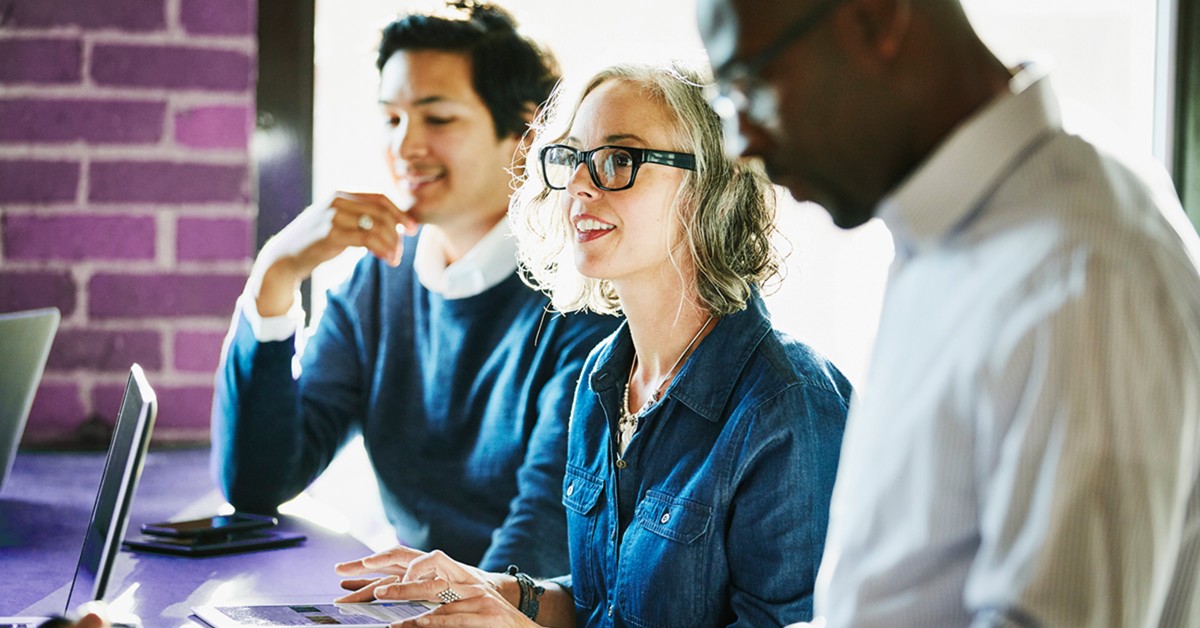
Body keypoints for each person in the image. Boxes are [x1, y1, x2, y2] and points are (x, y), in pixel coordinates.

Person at [697, 0, 1200, 625]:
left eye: (750, 84)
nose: (742, 141)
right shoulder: (951, 236)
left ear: (876, 20)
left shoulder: (1082, 270)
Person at [335, 63, 852, 627]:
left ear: (712, 185)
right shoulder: (604, 375)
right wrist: (496, 592)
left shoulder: (789, 404)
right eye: (572, 158)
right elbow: (603, 605)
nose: (580, 184)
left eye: (617, 160)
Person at [211, 1, 619, 577]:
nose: (404, 148)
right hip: (417, 604)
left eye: (437, 118)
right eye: (392, 118)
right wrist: (275, 274)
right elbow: (257, 484)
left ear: (527, 134)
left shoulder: (586, 301)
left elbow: (539, 545)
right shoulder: (380, 279)